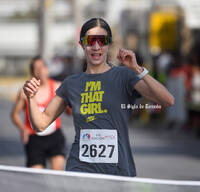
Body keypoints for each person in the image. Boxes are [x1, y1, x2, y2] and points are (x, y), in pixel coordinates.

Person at [23, 18, 174, 177]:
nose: (96, 46)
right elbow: (40, 124)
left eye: (102, 41)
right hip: (80, 172)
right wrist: (31, 98)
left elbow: (167, 100)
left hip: (118, 172)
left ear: (109, 44)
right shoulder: (71, 84)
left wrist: (137, 69)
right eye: (90, 41)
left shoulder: (124, 76)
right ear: (82, 44)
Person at [11, 56, 67, 170]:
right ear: (32, 72)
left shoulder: (58, 87)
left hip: (54, 136)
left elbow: (69, 112)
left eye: (43, 67)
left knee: (58, 172)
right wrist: (23, 129)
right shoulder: (25, 92)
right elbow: (14, 114)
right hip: (34, 137)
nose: (41, 70)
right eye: (37, 68)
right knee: (36, 176)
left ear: (47, 69)